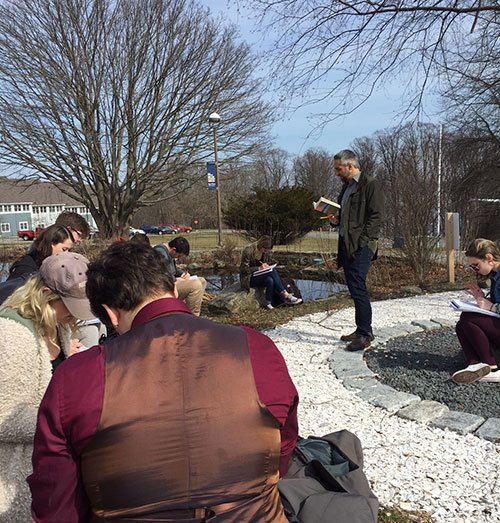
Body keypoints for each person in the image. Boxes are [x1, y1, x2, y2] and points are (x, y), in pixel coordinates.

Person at [28, 242, 299, 522]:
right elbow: (284, 447)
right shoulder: (257, 347)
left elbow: (56, 502)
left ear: (109, 314)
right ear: (171, 290)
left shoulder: (77, 376)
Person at [0, 252, 94, 522]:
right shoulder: (11, 335)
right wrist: (69, 419)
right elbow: (5, 417)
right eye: (69, 309)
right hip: (14, 476)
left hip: (47, 464)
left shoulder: (56, 325)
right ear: (44, 295)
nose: (74, 318)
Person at [329, 149, 384, 351]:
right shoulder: (346, 187)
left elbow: (376, 216)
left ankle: (364, 335)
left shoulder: (370, 184)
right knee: (353, 287)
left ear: (350, 166)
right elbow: (347, 215)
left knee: (358, 287)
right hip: (345, 243)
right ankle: (360, 328)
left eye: (338, 169)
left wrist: (362, 242)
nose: (336, 173)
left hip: (361, 246)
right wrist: (335, 220)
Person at [451, 238, 500, 384]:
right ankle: (475, 364)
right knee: (461, 325)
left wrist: (489, 306)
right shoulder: (495, 276)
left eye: (476, 266)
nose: (475, 270)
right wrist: (481, 298)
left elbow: (494, 308)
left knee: (468, 318)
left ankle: (493, 368)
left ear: (489, 258)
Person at [0, 224, 74, 303]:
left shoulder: (48, 265)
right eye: (64, 249)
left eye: (69, 250)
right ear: (51, 244)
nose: (67, 254)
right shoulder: (25, 269)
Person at [240, 236, 302, 310]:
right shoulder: (248, 251)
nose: (266, 252)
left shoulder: (264, 252)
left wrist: (265, 265)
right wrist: (258, 268)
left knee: (270, 280)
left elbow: (263, 263)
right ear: (261, 246)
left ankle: (268, 303)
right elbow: (244, 269)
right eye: (265, 250)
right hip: (248, 278)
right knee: (272, 271)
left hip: (259, 276)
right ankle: (285, 294)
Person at [154, 236, 207, 316]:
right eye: (178, 256)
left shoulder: (169, 253)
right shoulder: (160, 253)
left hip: (172, 282)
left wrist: (182, 274)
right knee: (195, 285)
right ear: (174, 249)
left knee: (201, 280)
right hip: (164, 287)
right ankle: (193, 316)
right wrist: (175, 280)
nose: (178, 258)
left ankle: (184, 310)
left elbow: (173, 269)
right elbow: (159, 274)